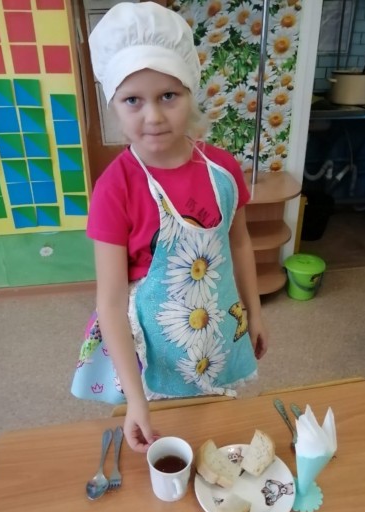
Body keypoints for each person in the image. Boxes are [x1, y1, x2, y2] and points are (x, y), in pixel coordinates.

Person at [71, 1, 268, 453]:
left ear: (190, 93)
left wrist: (255, 312)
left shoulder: (223, 169)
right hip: (152, 353)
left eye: (168, 96)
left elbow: (238, 244)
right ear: (113, 104)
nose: (154, 116)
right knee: (169, 449)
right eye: (133, 100)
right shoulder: (115, 188)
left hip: (218, 333)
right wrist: (135, 401)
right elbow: (110, 302)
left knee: (219, 435)